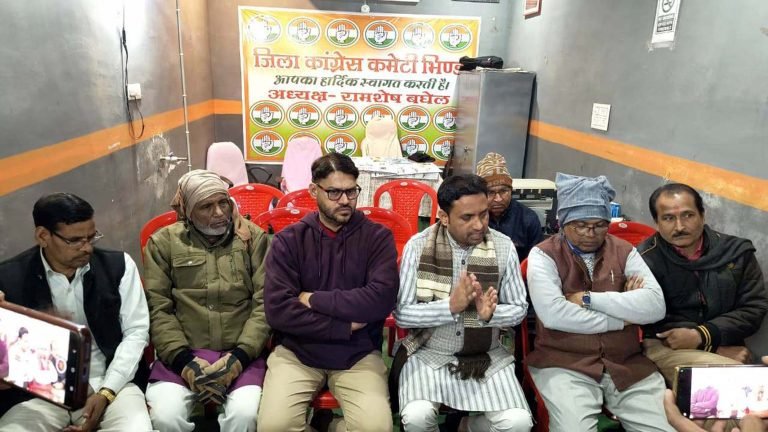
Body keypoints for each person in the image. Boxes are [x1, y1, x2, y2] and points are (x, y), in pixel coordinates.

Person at [258, 153, 398, 432]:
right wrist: (343, 326)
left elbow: (380, 300)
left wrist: (313, 298)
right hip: (297, 353)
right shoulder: (290, 240)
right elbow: (279, 311)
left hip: (357, 354)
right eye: (334, 192)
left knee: (375, 429)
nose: (345, 200)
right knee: (274, 427)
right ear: (314, 191)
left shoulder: (377, 238)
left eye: (351, 191)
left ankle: (330, 426)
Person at [526, 173, 673, 432]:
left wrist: (587, 299)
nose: (591, 233)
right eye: (581, 225)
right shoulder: (544, 255)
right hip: (563, 363)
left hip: (626, 362)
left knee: (663, 428)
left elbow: (655, 306)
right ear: (563, 222)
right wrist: (624, 317)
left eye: (600, 225)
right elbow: (554, 315)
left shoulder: (624, 251)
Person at [0, 193, 152, 431]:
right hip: (38, 394)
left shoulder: (118, 266)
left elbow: (136, 333)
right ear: (43, 236)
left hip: (110, 382)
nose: (87, 247)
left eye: (91, 237)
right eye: (75, 241)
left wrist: (106, 392)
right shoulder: (8, 278)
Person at [394, 174, 532, 432]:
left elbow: (519, 308)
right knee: (416, 417)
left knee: (518, 423)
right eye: (467, 217)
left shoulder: (503, 246)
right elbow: (402, 313)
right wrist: (449, 307)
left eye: (484, 214)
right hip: (429, 352)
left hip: (488, 356)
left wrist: (490, 315)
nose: (479, 225)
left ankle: (467, 426)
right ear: (444, 217)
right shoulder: (418, 246)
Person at [143, 169, 271, 432]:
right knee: (166, 417)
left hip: (241, 353)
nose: (220, 213)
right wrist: (184, 363)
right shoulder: (164, 243)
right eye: (206, 206)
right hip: (183, 353)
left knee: (245, 415)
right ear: (188, 211)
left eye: (223, 202)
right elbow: (159, 309)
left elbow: (265, 304)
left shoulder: (252, 239)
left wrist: (238, 358)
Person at [638, 183, 768, 383]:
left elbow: (753, 307)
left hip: (726, 341)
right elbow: (652, 321)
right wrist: (709, 346)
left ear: (702, 215)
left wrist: (704, 336)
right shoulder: (644, 259)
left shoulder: (736, 252)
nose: (680, 227)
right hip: (665, 345)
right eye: (668, 218)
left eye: (688, 215)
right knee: (736, 381)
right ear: (657, 222)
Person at [476, 153, 542, 260]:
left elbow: (536, 260)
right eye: (490, 192)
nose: (498, 199)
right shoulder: (472, 217)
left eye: (503, 191)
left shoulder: (527, 219)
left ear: (511, 191)